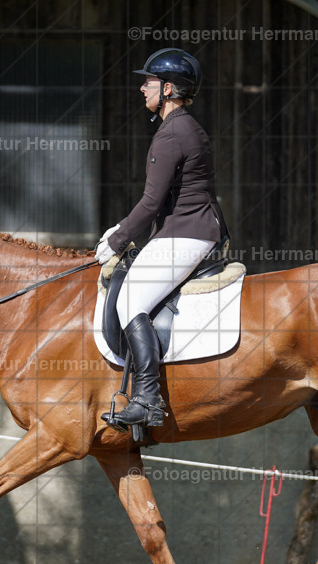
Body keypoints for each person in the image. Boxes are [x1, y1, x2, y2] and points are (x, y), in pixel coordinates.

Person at [97, 48, 228, 430]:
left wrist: (119, 239)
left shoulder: (172, 133)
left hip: (187, 233)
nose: (142, 88)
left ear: (168, 88)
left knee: (130, 300)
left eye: (149, 82)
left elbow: (152, 202)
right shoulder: (183, 126)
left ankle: (147, 400)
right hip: (187, 229)